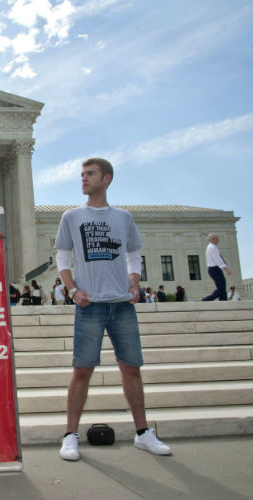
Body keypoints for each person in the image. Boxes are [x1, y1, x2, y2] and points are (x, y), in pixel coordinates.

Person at [54, 158, 171, 461]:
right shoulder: (71, 216)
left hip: (121, 304)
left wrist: (135, 282)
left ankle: (143, 433)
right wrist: (71, 290)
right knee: (82, 370)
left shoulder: (123, 217)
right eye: (82, 174)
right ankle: (70, 435)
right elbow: (63, 258)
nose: (83, 179)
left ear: (106, 179)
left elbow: (134, 254)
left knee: (131, 368)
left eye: (90, 174)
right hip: (90, 304)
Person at [202, 233, 232, 301]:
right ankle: (206, 300)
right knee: (221, 288)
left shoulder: (210, 247)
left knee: (222, 287)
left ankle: (223, 301)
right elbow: (218, 259)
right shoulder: (212, 247)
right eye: (217, 238)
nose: (218, 240)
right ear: (212, 239)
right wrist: (226, 269)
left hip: (214, 269)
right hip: (214, 269)